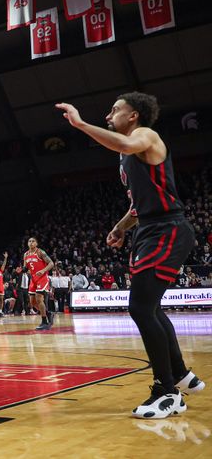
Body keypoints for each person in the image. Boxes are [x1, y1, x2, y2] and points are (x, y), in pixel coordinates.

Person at [57, 94, 204, 418]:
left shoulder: (146, 136)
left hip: (167, 229)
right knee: (149, 307)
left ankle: (167, 391)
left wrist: (80, 124)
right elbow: (139, 204)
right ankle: (179, 374)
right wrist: (122, 227)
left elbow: (125, 147)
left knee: (139, 307)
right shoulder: (128, 154)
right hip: (149, 229)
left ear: (133, 115)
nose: (109, 114)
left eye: (115, 110)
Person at [23, 237, 54, 330]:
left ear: (36, 243)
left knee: (39, 299)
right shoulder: (26, 254)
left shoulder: (40, 252)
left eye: (33, 241)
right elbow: (26, 267)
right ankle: (48, 313)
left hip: (42, 278)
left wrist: (43, 270)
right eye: (29, 241)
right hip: (33, 279)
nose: (31, 243)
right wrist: (22, 270)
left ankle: (44, 321)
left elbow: (51, 263)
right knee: (32, 302)